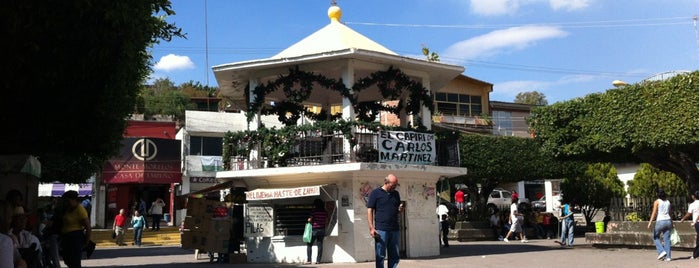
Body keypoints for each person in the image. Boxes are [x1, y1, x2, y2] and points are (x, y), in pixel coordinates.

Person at [367, 173, 403, 268]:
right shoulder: (375, 193)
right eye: (393, 185)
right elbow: (370, 210)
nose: (395, 187)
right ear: (386, 182)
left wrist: (400, 209)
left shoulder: (396, 194)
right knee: (380, 255)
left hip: (394, 229)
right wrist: (371, 228)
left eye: (396, 185)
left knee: (394, 255)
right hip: (381, 230)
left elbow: (397, 210)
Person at [60, 190, 91, 268]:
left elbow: (88, 227)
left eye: (68, 200)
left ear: (74, 200)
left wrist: (86, 241)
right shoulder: (67, 209)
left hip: (75, 238)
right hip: (66, 238)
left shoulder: (80, 210)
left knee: (75, 262)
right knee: (67, 260)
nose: (66, 202)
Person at [648, 189, 673, 262]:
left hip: (660, 221)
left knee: (655, 237)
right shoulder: (668, 202)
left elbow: (654, 212)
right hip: (668, 220)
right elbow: (670, 213)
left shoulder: (657, 202)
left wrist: (650, 222)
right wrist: (672, 222)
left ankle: (661, 251)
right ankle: (668, 257)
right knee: (667, 239)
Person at [1, 200, 27, 268]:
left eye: (24, 218)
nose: (23, 221)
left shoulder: (28, 236)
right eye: (19, 219)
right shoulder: (5, 241)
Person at [306, 198, 328, 264]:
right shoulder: (325, 212)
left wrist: (309, 220)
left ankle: (309, 260)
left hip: (314, 230)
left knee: (309, 244)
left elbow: (309, 220)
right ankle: (318, 260)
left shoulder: (314, 211)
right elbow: (327, 221)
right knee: (320, 245)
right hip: (322, 230)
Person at [680, 190, 699, 259]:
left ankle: (695, 254)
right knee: (698, 239)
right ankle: (696, 254)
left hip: (697, 223)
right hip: (697, 223)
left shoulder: (692, 205)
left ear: (693, 196)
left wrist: (683, 219)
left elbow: (688, 214)